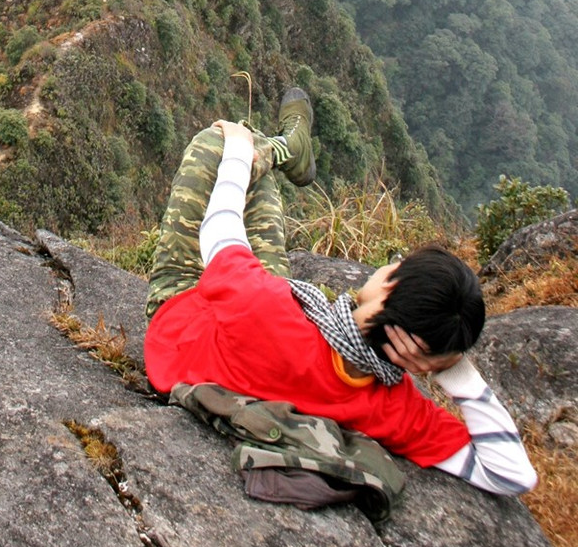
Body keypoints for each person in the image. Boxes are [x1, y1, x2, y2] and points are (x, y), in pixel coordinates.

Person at [143, 90, 537, 494]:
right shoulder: (392, 409)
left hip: (182, 318)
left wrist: (241, 152)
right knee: (249, 176)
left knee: (222, 142)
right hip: (251, 329)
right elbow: (511, 475)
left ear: (388, 287)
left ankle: (282, 147)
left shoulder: (267, 306)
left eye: (397, 264)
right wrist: (452, 369)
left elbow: (219, 232)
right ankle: (288, 147)